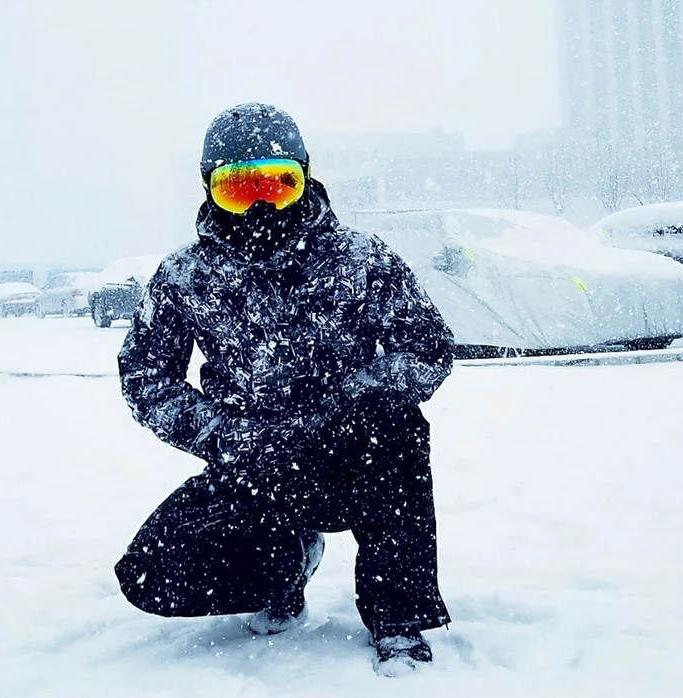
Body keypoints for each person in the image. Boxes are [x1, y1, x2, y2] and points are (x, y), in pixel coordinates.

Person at [114, 103, 453, 675]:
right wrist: (228, 437)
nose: (262, 204)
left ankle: (397, 616)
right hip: (250, 460)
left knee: (399, 428)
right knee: (150, 573)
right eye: (238, 190)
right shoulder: (183, 276)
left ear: (305, 176)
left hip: (351, 453)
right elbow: (146, 378)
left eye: (277, 183)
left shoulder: (362, 259)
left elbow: (428, 347)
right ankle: (284, 565)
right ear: (208, 189)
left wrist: (352, 400)